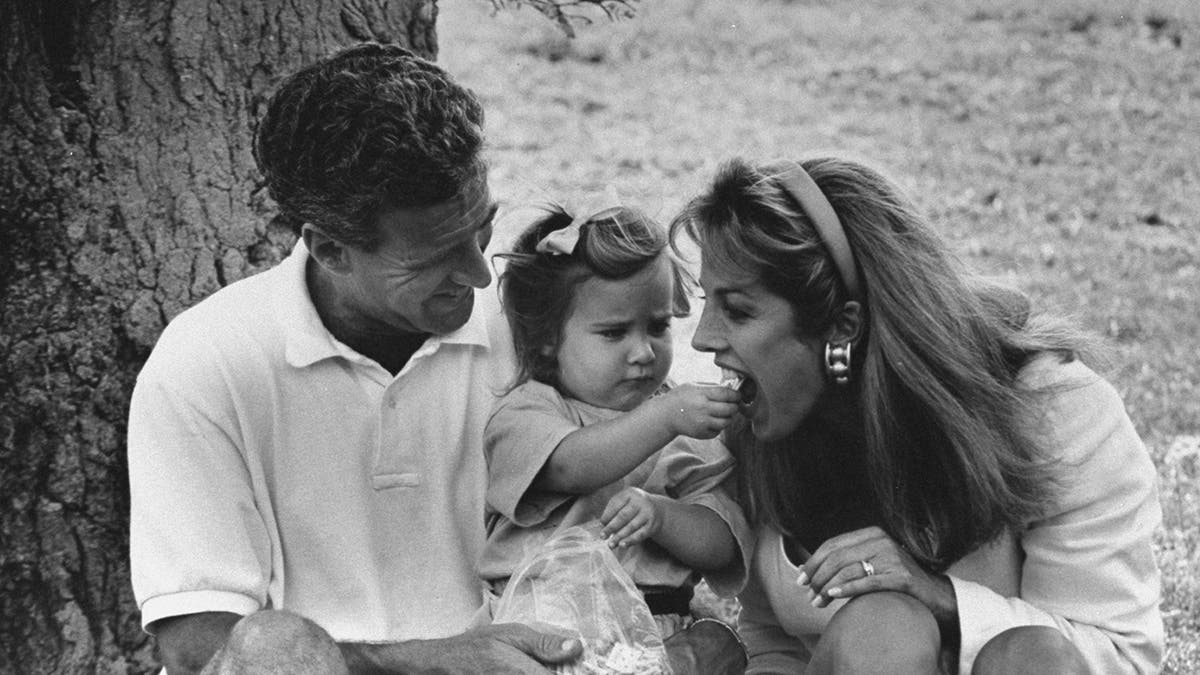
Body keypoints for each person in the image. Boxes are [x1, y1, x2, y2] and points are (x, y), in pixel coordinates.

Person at [127, 43, 584, 673]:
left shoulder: (532, 329)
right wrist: (435, 661)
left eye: (482, 232)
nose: (480, 276)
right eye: (431, 259)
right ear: (331, 250)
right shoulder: (207, 362)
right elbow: (199, 647)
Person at [670, 156, 1164, 674]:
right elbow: (775, 644)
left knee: (1023, 651)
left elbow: (1118, 655)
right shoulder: (760, 423)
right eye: (708, 303)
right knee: (883, 627)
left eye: (739, 310)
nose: (702, 338)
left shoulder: (1054, 410)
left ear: (843, 325)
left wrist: (940, 598)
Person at [477, 203, 754, 642]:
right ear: (547, 339)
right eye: (614, 333)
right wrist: (663, 419)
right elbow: (570, 467)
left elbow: (721, 544)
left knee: (715, 646)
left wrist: (664, 516)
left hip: (654, 628)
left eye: (658, 326)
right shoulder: (528, 412)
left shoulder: (681, 423)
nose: (643, 352)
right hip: (542, 628)